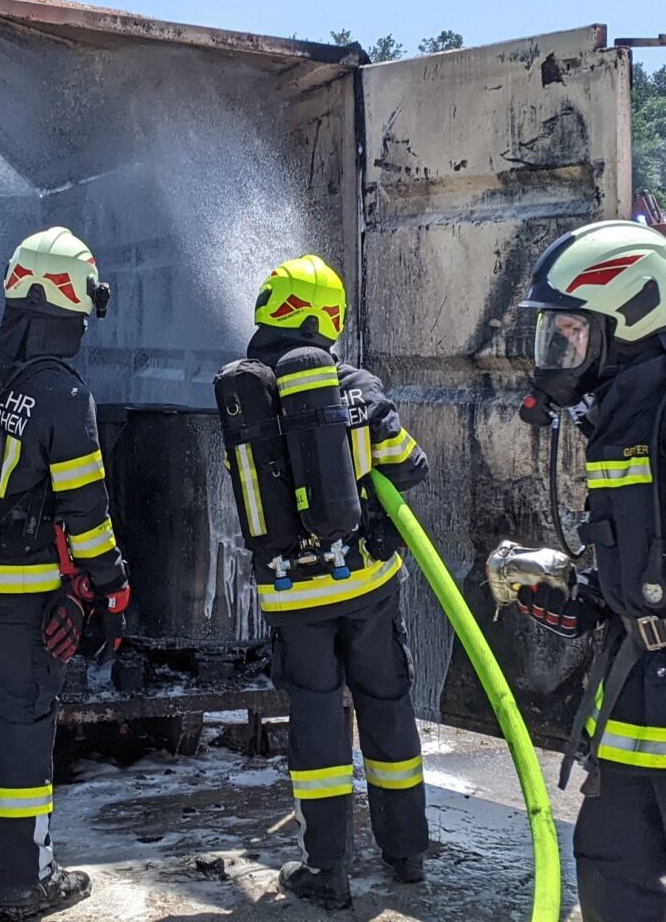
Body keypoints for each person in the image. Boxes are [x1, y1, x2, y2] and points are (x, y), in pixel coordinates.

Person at [0, 227, 129, 921]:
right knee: (23, 728)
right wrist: (111, 587)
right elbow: (87, 515)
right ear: (75, 306)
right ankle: (25, 882)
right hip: (26, 601)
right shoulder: (62, 394)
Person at [239, 254, 430, 910]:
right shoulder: (357, 384)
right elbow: (408, 465)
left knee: (316, 719)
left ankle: (326, 869)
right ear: (330, 318)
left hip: (292, 593)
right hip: (366, 582)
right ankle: (406, 853)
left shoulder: (246, 392)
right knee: (386, 704)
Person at [511, 219, 666, 922]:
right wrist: (589, 595)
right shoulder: (621, 422)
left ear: (631, 321)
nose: (554, 357)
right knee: (609, 870)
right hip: (636, 693)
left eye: (570, 334)